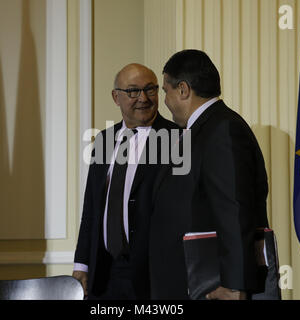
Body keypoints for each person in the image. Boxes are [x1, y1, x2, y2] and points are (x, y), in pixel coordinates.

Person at [149, 50, 269, 300]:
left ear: (183, 89)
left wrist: (235, 285)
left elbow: (234, 209)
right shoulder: (201, 130)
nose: (165, 101)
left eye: (165, 91)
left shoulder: (222, 129)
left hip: (212, 286)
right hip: (186, 281)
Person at [73, 63, 179, 300]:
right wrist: (82, 265)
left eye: (150, 89)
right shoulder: (103, 140)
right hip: (105, 273)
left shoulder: (177, 139)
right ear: (116, 97)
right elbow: (91, 208)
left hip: (153, 275)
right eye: (133, 91)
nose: (143, 98)